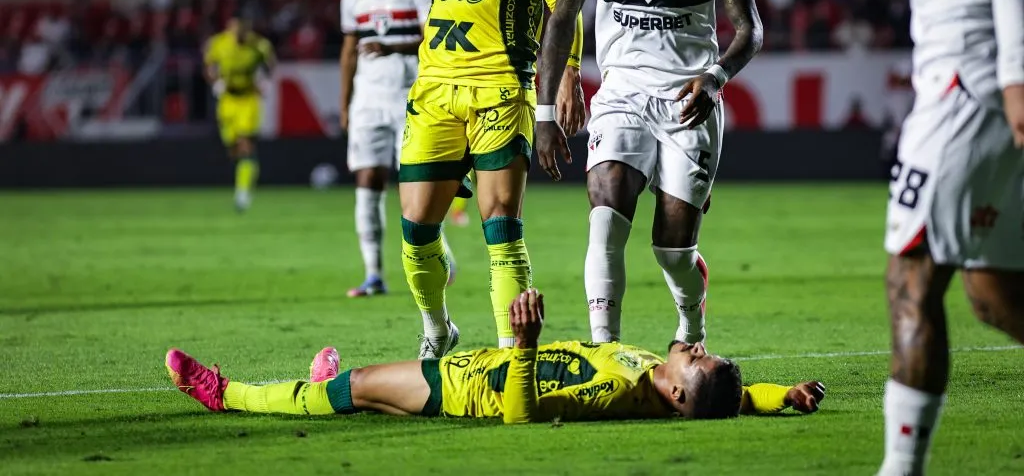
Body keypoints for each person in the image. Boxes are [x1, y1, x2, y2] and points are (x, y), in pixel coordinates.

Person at [251, 0, 587, 357]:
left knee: (501, 224)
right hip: (434, 92)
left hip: (501, 88)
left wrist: (568, 71)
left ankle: (509, 354)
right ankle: (437, 329)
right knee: (416, 228)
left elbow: (562, 4)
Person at [535, 0, 763, 345]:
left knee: (672, 250)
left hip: (690, 100)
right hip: (621, 93)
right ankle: (604, 351)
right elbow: (560, 21)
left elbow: (750, 30)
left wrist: (717, 76)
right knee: (606, 217)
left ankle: (691, 328)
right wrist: (545, 114)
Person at [877, 0, 1024, 475]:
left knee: (911, 277)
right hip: (990, 100)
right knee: (995, 295)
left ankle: (900, 470)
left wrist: (1017, 83)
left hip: (966, 101)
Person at [166, 289, 826, 423]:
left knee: (360, 386)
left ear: (677, 394)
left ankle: (227, 392)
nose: (699, 350)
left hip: (471, 392)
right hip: (482, 368)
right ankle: (334, 390)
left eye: (699, 362)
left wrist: (528, 346)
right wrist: (782, 396)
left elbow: (522, 418)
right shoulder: (654, 369)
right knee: (370, 396)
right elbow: (735, 399)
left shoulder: (619, 396)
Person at [340, 0, 460, 297]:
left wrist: (391, 48)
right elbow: (348, 52)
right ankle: (373, 274)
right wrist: (345, 104)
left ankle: (438, 256)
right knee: (367, 180)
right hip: (367, 101)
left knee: (415, 189)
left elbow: (433, 36)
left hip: (412, 96)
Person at [203, 12, 276, 212]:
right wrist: (215, 81)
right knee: (233, 148)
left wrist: (265, 82)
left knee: (246, 145)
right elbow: (209, 64)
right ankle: (244, 175)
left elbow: (270, 62)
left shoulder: (258, 45)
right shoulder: (218, 43)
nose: (239, 34)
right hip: (227, 100)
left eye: (242, 29)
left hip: (248, 99)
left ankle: (243, 193)